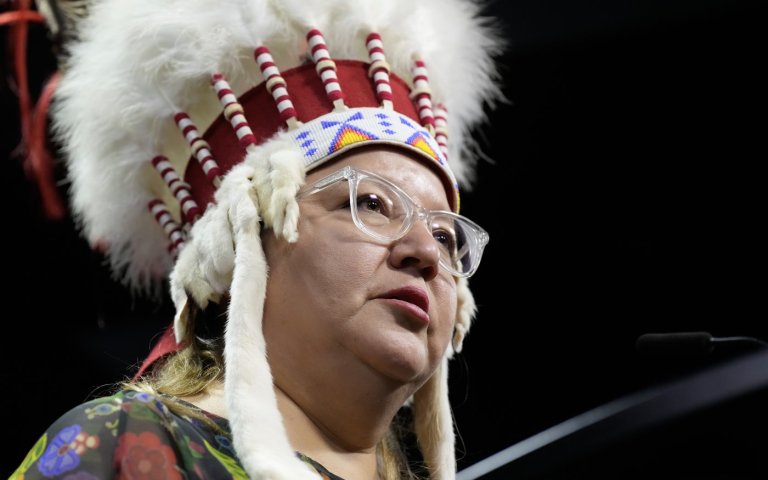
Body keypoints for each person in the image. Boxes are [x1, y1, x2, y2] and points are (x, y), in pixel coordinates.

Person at [10, 0, 503, 478]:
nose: (426, 253)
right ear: (244, 241)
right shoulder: (130, 445)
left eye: (445, 235)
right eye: (371, 203)